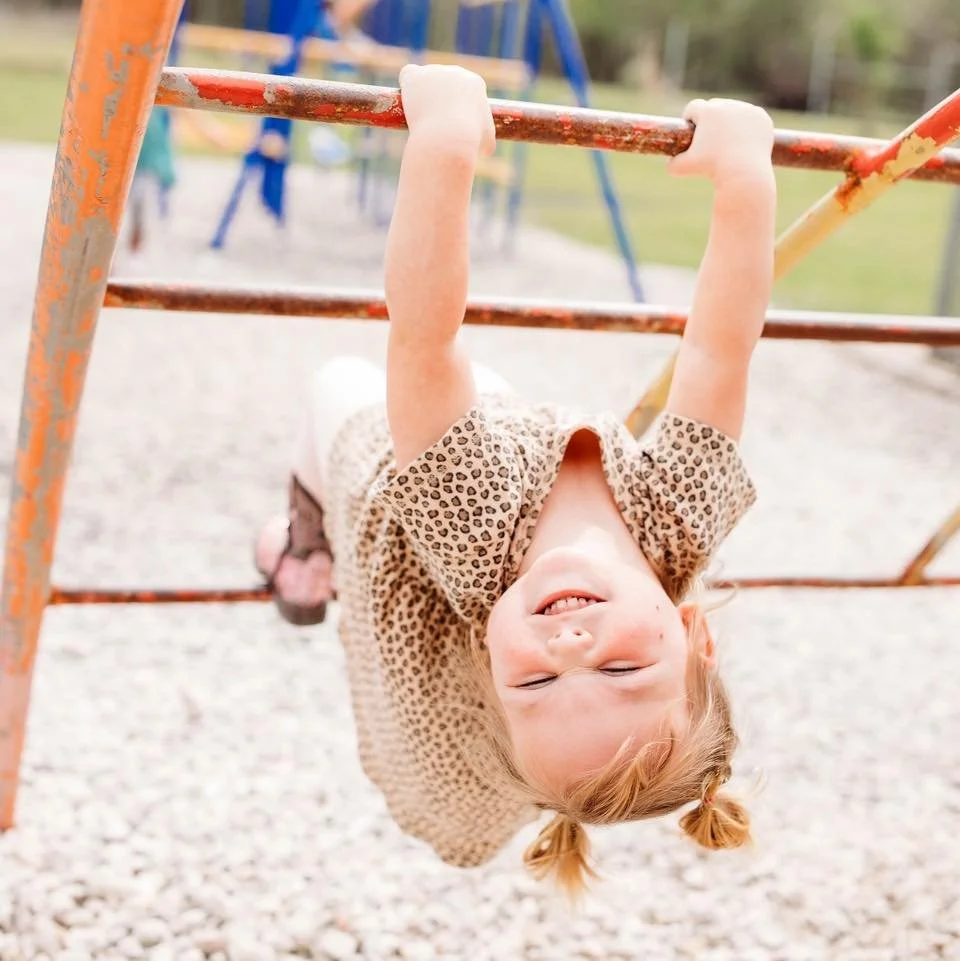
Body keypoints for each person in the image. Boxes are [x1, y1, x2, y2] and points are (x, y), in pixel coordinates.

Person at [255, 64, 776, 894]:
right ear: (694, 634)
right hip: (495, 436)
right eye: (621, 670)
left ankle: (302, 545)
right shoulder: (682, 512)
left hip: (377, 480)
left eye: (534, 680)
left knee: (335, 384)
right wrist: (747, 176)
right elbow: (720, 349)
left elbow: (423, 338)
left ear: (488, 667)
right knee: (481, 394)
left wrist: (446, 146)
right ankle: (300, 557)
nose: (570, 649)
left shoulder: (475, 525)